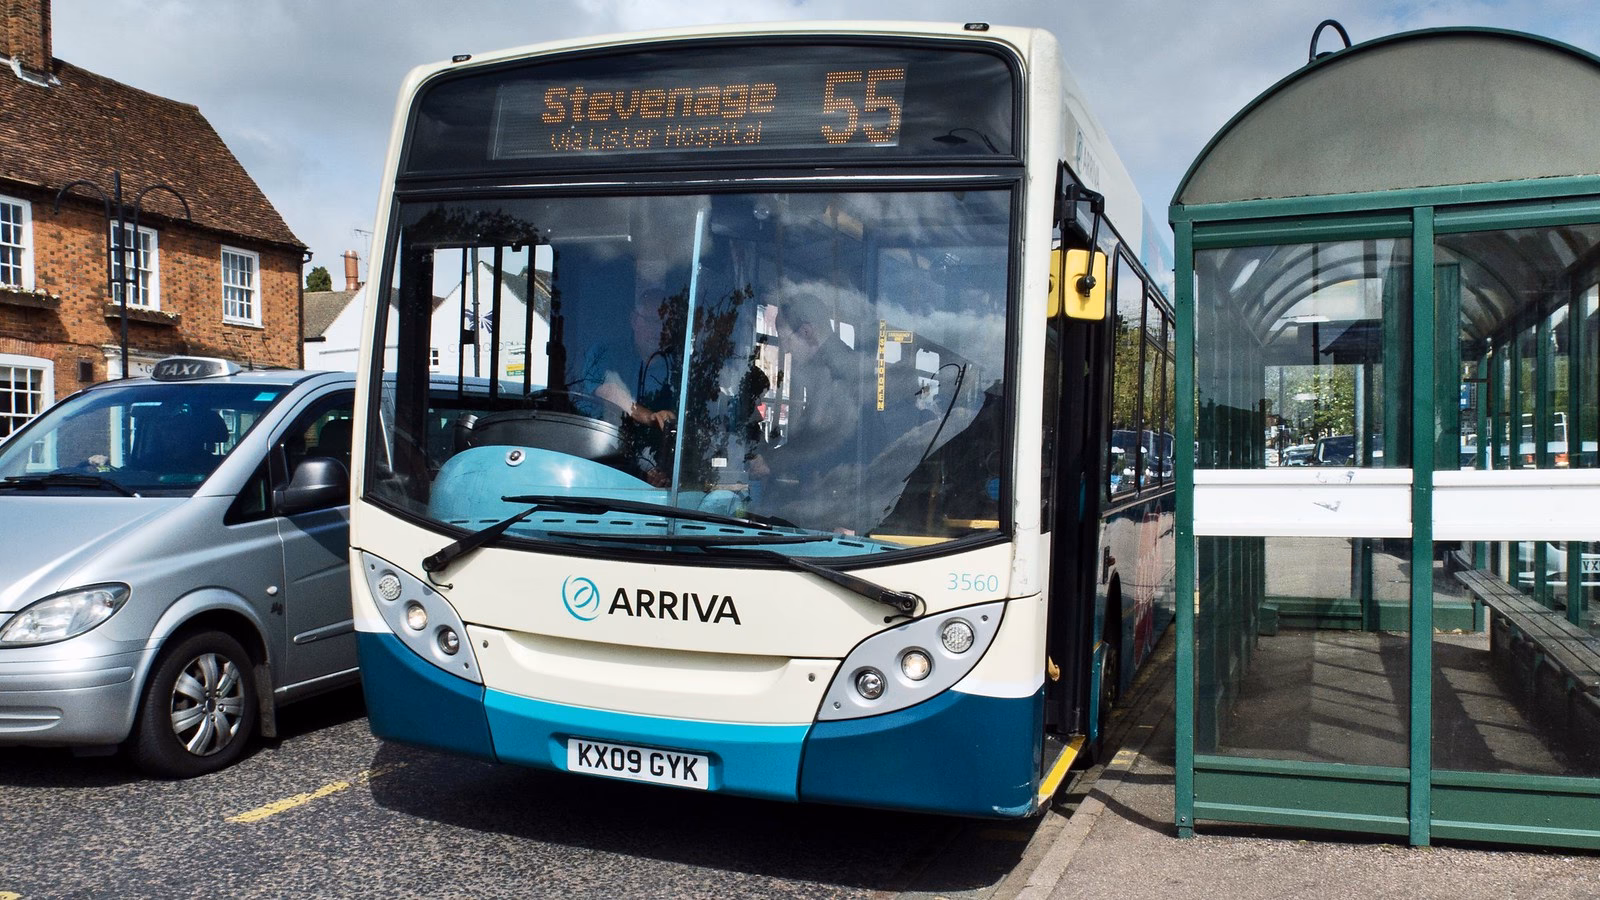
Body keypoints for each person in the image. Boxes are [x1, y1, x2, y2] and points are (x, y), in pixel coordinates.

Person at [746, 282, 871, 531]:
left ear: (806, 332)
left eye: (785, 340)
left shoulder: (840, 371)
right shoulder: (822, 367)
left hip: (838, 502)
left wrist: (772, 460)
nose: (784, 349)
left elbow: (830, 437)